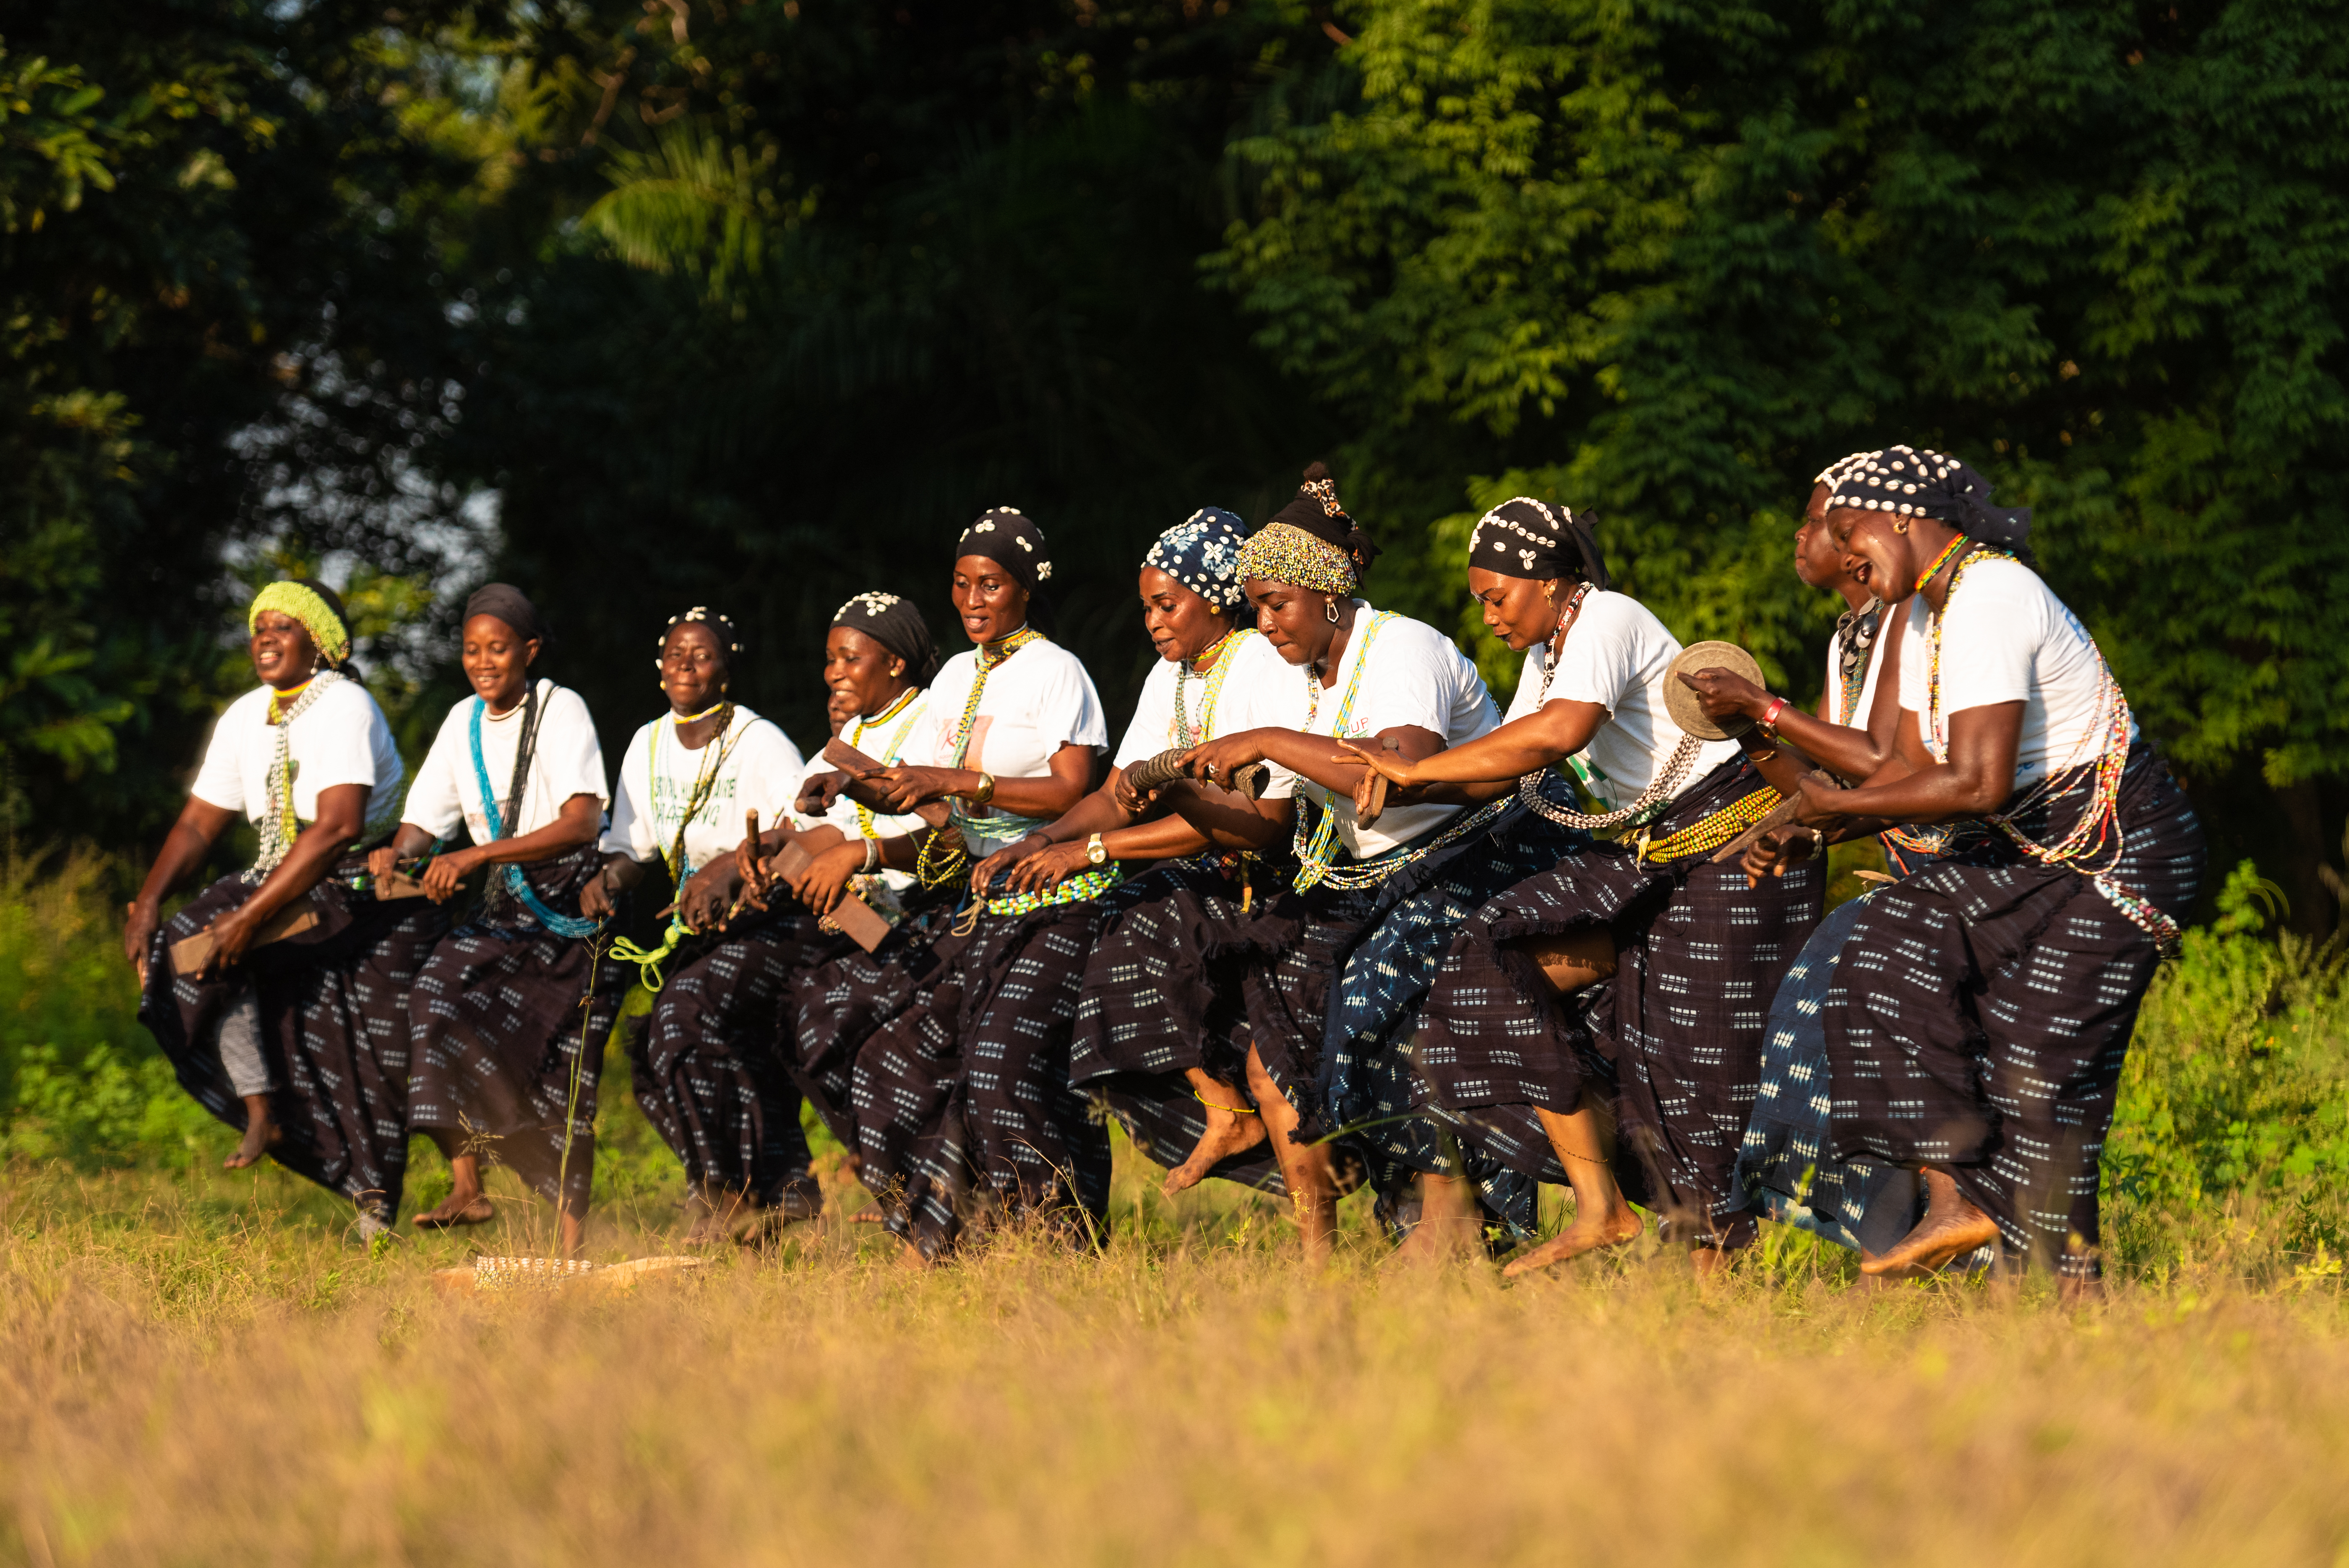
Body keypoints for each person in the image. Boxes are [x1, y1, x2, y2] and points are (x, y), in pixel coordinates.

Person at [1766, 447, 2206, 1296]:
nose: (1840, 552)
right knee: (1887, 940)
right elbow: (1897, 767)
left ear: (1898, 517)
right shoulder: (1926, 612)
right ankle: (1968, 1203)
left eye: (1845, 529)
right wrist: (1799, 808)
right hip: (2034, 853)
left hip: (2122, 851)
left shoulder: (1991, 594)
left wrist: (1828, 810)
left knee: (2039, 1047)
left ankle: (2062, 1279)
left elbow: (1975, 782)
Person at [1346, 497, 1826, 1273]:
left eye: (1496, 597)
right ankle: (1600, 1207)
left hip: (1739, 847)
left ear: (1550, 580)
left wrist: (1418, 765)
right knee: (1495, 960)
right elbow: (1509, 764)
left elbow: (1559, 734)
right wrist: (1393, 784)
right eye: (1480, 603)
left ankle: (1718, 1282)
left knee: (1698, 1061)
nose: (1489, 617)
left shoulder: (1607, 618)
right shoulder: (1549, 654)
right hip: (1656, 853)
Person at [1170, 465, 1504, 1263]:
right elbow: (1265, 819)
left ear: (1327, 593)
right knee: (1271, 1036)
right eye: (1256, 605)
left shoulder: (1403, 646)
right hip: (1365, 881)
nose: (1264, 622)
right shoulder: (1304, 678)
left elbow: (1392, 770)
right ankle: (1318, 1252)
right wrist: (1173, 797)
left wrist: (1269, 742)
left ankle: (1445, 1218)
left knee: (1370, 1005)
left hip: (1465, 861)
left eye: (1276, 604)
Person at [813, 509, 1111, 1262]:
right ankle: (935, 1231)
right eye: (961, 582)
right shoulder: (954, 676)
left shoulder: (1056, 671)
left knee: (1002, 1062)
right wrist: (856, 791)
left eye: (992, 583)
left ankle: (1056, 1241)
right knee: (897, 1056)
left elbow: (1073, 791)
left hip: (1055, 899)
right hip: (975, 902)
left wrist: (955, 780)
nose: (973, 598)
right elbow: (935, 811)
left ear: (1024, 589)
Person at [972, 510, 1296, 1202]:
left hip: (1265, 870)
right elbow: (1122, 793)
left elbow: (1245, 822)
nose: (1153, 621)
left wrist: (1092, 851)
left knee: (1128, 924)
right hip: (1197, 866)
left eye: (1166, 604)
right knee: (1090, 924)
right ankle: (1218, 1105)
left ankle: (1226, 1108)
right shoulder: (1169, 677)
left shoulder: (1260, 665)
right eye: (1147, 607)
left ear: (1215, 598)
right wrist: (1043, 840)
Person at [128, 578, 435, 1239]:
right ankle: (260, 1104)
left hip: (355, 883)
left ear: (321, 643)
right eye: (257, 625)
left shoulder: (344, 705)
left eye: (284, 625)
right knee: (181, 947)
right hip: (281, 874)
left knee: (331, 1025)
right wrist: (149, 900)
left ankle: (373, 1196)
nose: (264, 635)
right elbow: (197, 825)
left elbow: (337, 828)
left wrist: (247, 920)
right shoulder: (246, 714)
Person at [377, 585, 618, 1255]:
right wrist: (395, 855)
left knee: (567, 1074)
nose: (483, 662)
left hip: (572, 910)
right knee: (433, 997)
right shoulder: (462, 722)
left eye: (499, 648)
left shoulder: (560, 709)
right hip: (504, 912)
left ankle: (569, 1249)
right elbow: (426, 820)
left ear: (529, 651)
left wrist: (479, 852)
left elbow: (582, 821)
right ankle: (467, 1181)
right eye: (471, 649)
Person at [584, 607, 815, 1246]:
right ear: (660, 669)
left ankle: (723, 1189)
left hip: (770, 922)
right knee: (650, 1056)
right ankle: (767, 1192)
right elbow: (633, 849)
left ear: (725, 668)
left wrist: (732, 873)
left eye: (703, 654)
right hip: (700, 931)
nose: (687, 664)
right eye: (676, 653)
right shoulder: (647, 743)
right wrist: (607, 881)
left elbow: (803, 831)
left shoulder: (758, 741)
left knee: (682, 1018)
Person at [739, 592, 946, 1169]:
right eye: (830, 660)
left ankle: (910, 1180)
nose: (834, 673)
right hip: (858, 925)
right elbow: (805, 836)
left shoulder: (935, 720)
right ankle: (879, 1166)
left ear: (896, 662)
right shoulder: (846, 737)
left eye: (849, 658)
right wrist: (769, 860)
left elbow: (951, 835)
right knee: (785, 1013)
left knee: (828, 1017)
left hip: (929, 916)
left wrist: (860, 854)